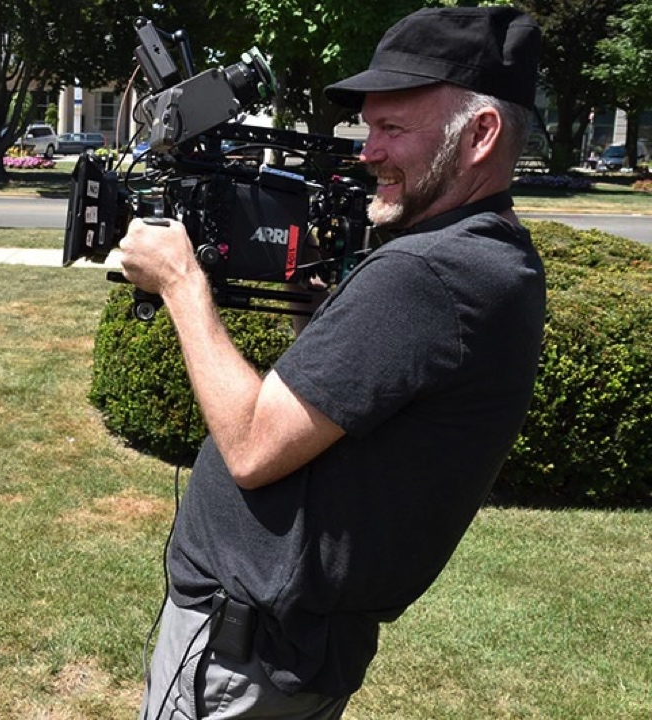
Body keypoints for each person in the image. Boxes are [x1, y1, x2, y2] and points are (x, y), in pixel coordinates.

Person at [119, 7, 545, 719]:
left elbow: (254, 447)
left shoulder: (428, 274)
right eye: (368, 126)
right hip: (285, 651)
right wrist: (312, 314)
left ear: (481, 134)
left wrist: (181, 285)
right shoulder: (489, 253)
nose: (366, 151)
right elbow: (373, 409)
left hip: (243, 660)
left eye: (393, 129)